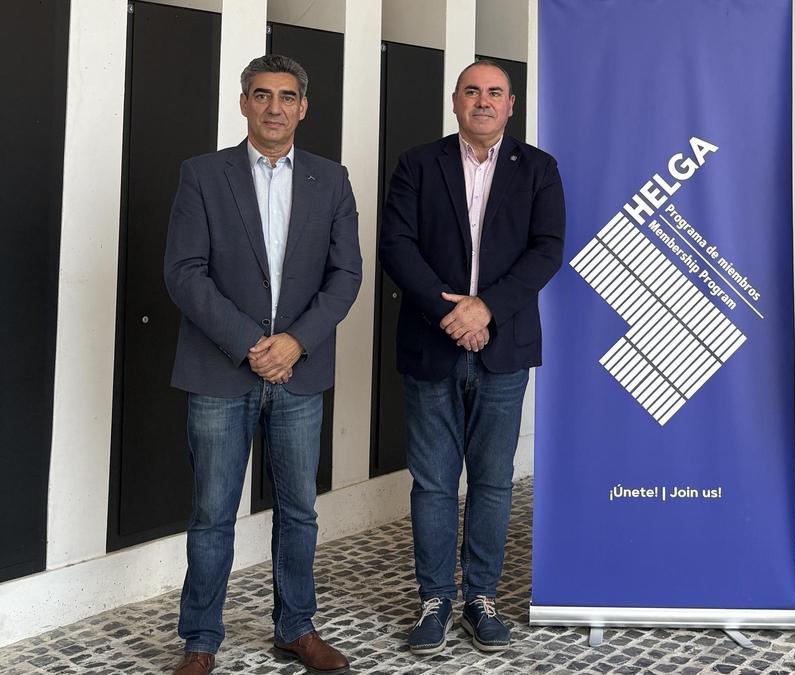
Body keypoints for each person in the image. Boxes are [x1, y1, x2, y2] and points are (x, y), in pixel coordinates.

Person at [163, 54, 361, 675]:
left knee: (299, 509)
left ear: (303, 107)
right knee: (213, 512)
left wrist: (296, 343)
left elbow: (346, 274)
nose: (273, 107)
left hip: (300, 371)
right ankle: (200, 641)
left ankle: (296, 628)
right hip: (222, 369)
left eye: (285, 97)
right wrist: (253, 343)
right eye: (261, 95)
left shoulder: (331, 179)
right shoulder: (201, 174)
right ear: (243, 103)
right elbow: (184, 273)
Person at [378, 59, 565, 656]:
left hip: (503, 347)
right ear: (454, 101)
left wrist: (485, 309)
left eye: (495, 93)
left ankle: (482, 596)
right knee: (433, 482)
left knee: (491, 481)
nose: (483, 101)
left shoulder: (538, 168)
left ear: (512, 106)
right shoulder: (416, 164)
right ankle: (435, 598)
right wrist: (450, 314)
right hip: (432, 344)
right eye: (472, 91)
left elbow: (547, 250)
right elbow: (396, 245)